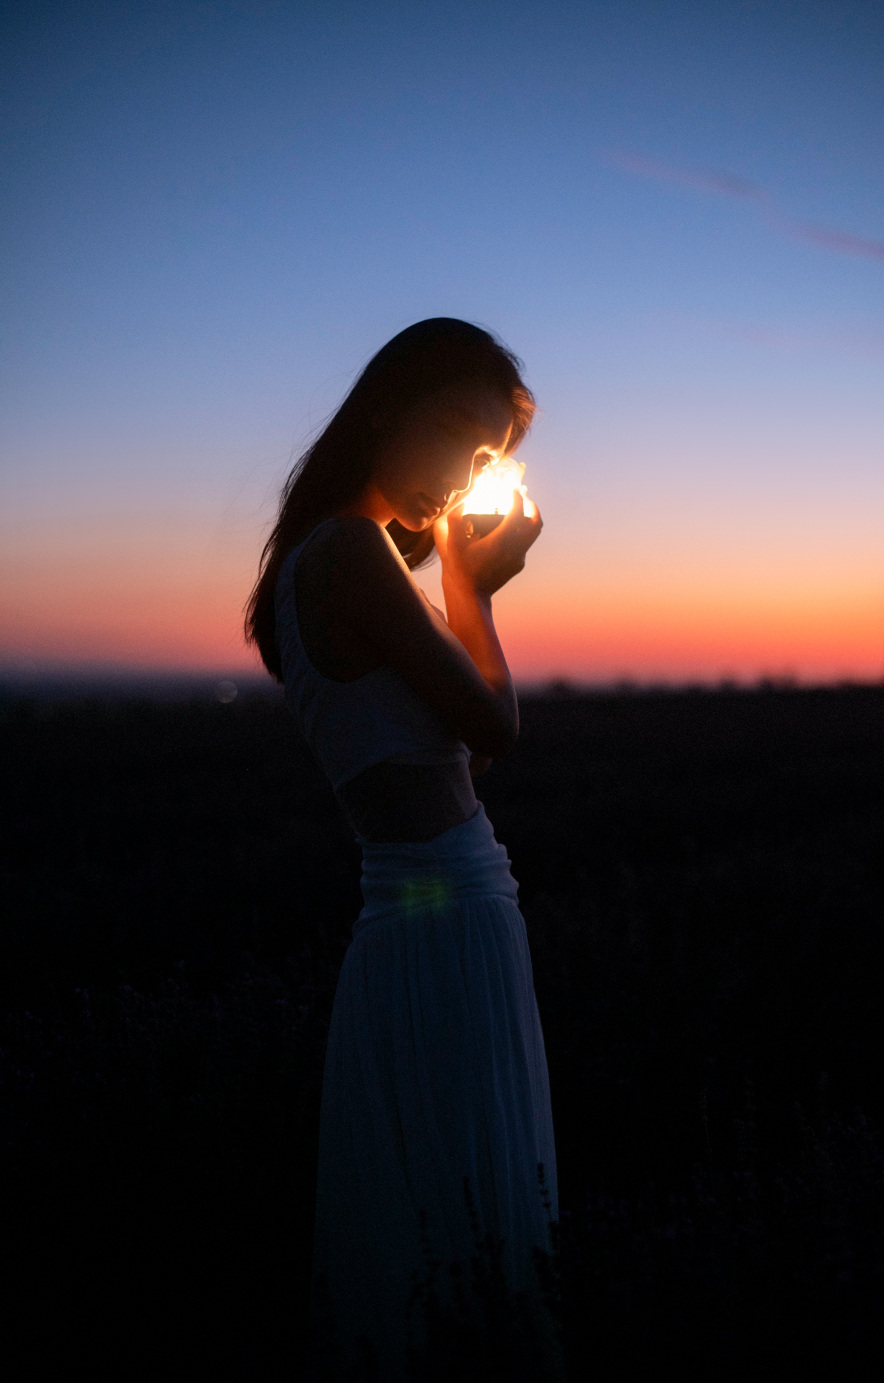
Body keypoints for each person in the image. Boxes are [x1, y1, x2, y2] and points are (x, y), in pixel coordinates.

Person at [245, 318, 561, 1379]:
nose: (466, 468)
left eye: (489, 451)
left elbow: (458, 761)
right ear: (385, 407)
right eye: (457, 427)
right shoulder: (347, 552)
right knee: (465, 1213)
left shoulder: (332, 557)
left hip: (429, 915)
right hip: (444, 917)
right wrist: (473, 588)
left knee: (442, 1214)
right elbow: (496, 727)